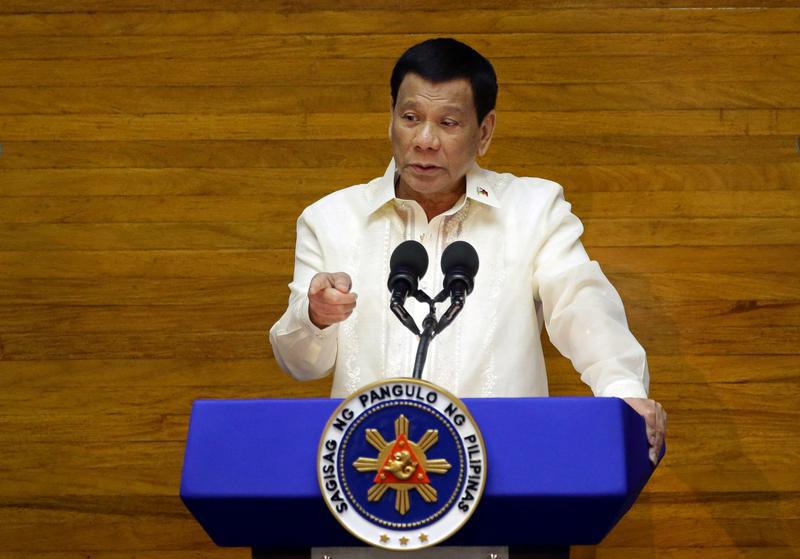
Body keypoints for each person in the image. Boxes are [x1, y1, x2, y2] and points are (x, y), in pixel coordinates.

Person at [270, 38, 666, 465]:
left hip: (504, 471)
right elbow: (301, 364)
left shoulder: (531, 209)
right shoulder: (330, 219)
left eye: (449, 123)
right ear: (390, 120)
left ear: (484, 131)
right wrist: (314, 317)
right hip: (369, 477)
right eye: (410, 117)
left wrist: (623, 393)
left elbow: (581, 304)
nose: (424, 140)